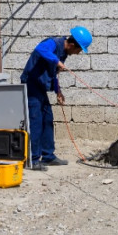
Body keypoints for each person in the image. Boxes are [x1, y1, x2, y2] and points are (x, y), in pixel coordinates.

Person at [20, 26, 93, 170]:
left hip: (41, 87)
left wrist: (58, 91)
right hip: (31, 85)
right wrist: (57, 61)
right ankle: (33, 160)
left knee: (47, 119)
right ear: (72, 45)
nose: (77, 53)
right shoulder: (54, 43)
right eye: (78, 50)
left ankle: (48, 156)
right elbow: (40, 49)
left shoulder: (64, 52)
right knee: (36, 120)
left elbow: (53, 74)